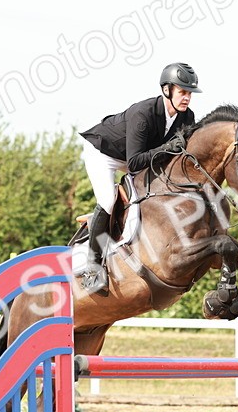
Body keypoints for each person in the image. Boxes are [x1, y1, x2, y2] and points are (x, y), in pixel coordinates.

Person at [77, 62, 201, 294]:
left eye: (189, 93)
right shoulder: (143, 113)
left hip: (136, 155)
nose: (187, 98)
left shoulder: (187, 117)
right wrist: (166, 148)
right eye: (182, 92)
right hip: (104, 153)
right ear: (167, 90)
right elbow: (134, 163)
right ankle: (92, 268)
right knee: (108, 200)